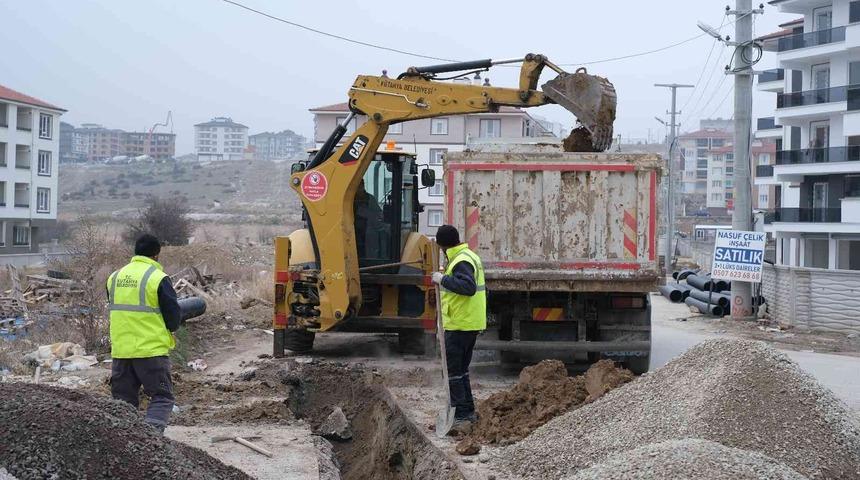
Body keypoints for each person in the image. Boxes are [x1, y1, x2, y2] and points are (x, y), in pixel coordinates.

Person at [106, 234, 182, 434]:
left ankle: (126, 442)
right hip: (151, 352)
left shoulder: (114, 277)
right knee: (162, 397)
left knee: (123, 403)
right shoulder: (158, 278)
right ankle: (151, 439)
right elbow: (173, 318)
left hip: (121, 352)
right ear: (156, 254)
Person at [431, 225, 486, 430]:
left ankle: (461, 416)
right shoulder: (467, 255)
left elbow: (468, 287)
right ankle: (467, 411)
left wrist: (443, 279)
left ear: (443, 245)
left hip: (460, 324)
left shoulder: (461, 260)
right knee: (461, 370)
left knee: (453, 371)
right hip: (467, 323)